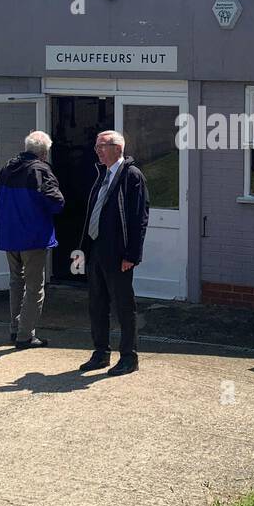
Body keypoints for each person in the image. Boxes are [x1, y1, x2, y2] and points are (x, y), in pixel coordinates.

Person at [77, 130, 149, 377]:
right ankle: (100, 353)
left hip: (119, 254)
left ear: (117, 148)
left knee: (123, 306)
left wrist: (132, 255)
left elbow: (139, 218)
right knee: (96, 304)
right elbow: (92, 212)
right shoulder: (102, 174)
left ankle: (129, 357)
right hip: (97, 249)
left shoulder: (131, 175)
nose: (98, 150)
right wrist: (84, 248)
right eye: (96, 145)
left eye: (102, 146)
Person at [0, 130, 65, 349]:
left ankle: (15, 329)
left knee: (16, 281)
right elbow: (56, 201)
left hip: (9, 235)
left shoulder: (7, 168)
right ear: (44, 153)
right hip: (33, 237)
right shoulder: (40, 170)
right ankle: (26, 335)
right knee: (35, 287)